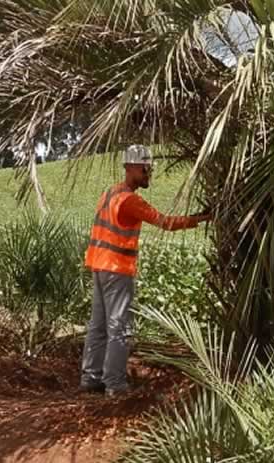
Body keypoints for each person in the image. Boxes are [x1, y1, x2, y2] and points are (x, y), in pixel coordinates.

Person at [80, 144, 211, 397]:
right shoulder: (130, 200)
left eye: (149, 169)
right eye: (144, 169)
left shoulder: (109, 193)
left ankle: (91, 379)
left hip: (99, 266)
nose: (148, 174)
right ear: (130, 168)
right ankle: (115, 385)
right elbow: (166, 223)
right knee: (119, 328)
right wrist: (201, 218)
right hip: (117, 269)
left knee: (98, 326)